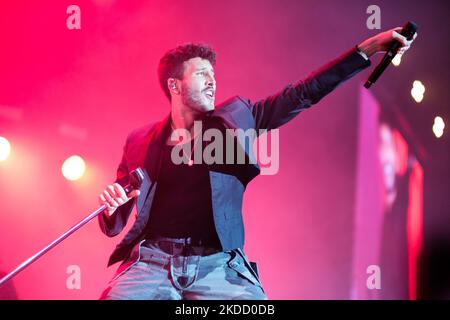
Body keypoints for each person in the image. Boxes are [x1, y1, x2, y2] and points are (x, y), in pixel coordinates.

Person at [98, 27, 417, 300]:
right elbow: (116, 219)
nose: (212, 81)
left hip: (218, 266)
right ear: (174, 85)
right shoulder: (140, 140)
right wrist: (111, 207)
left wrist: (369, 48)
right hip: (152, 263)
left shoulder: (238, 118)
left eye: (213, 73)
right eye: (201, 74)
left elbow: (303, 93)